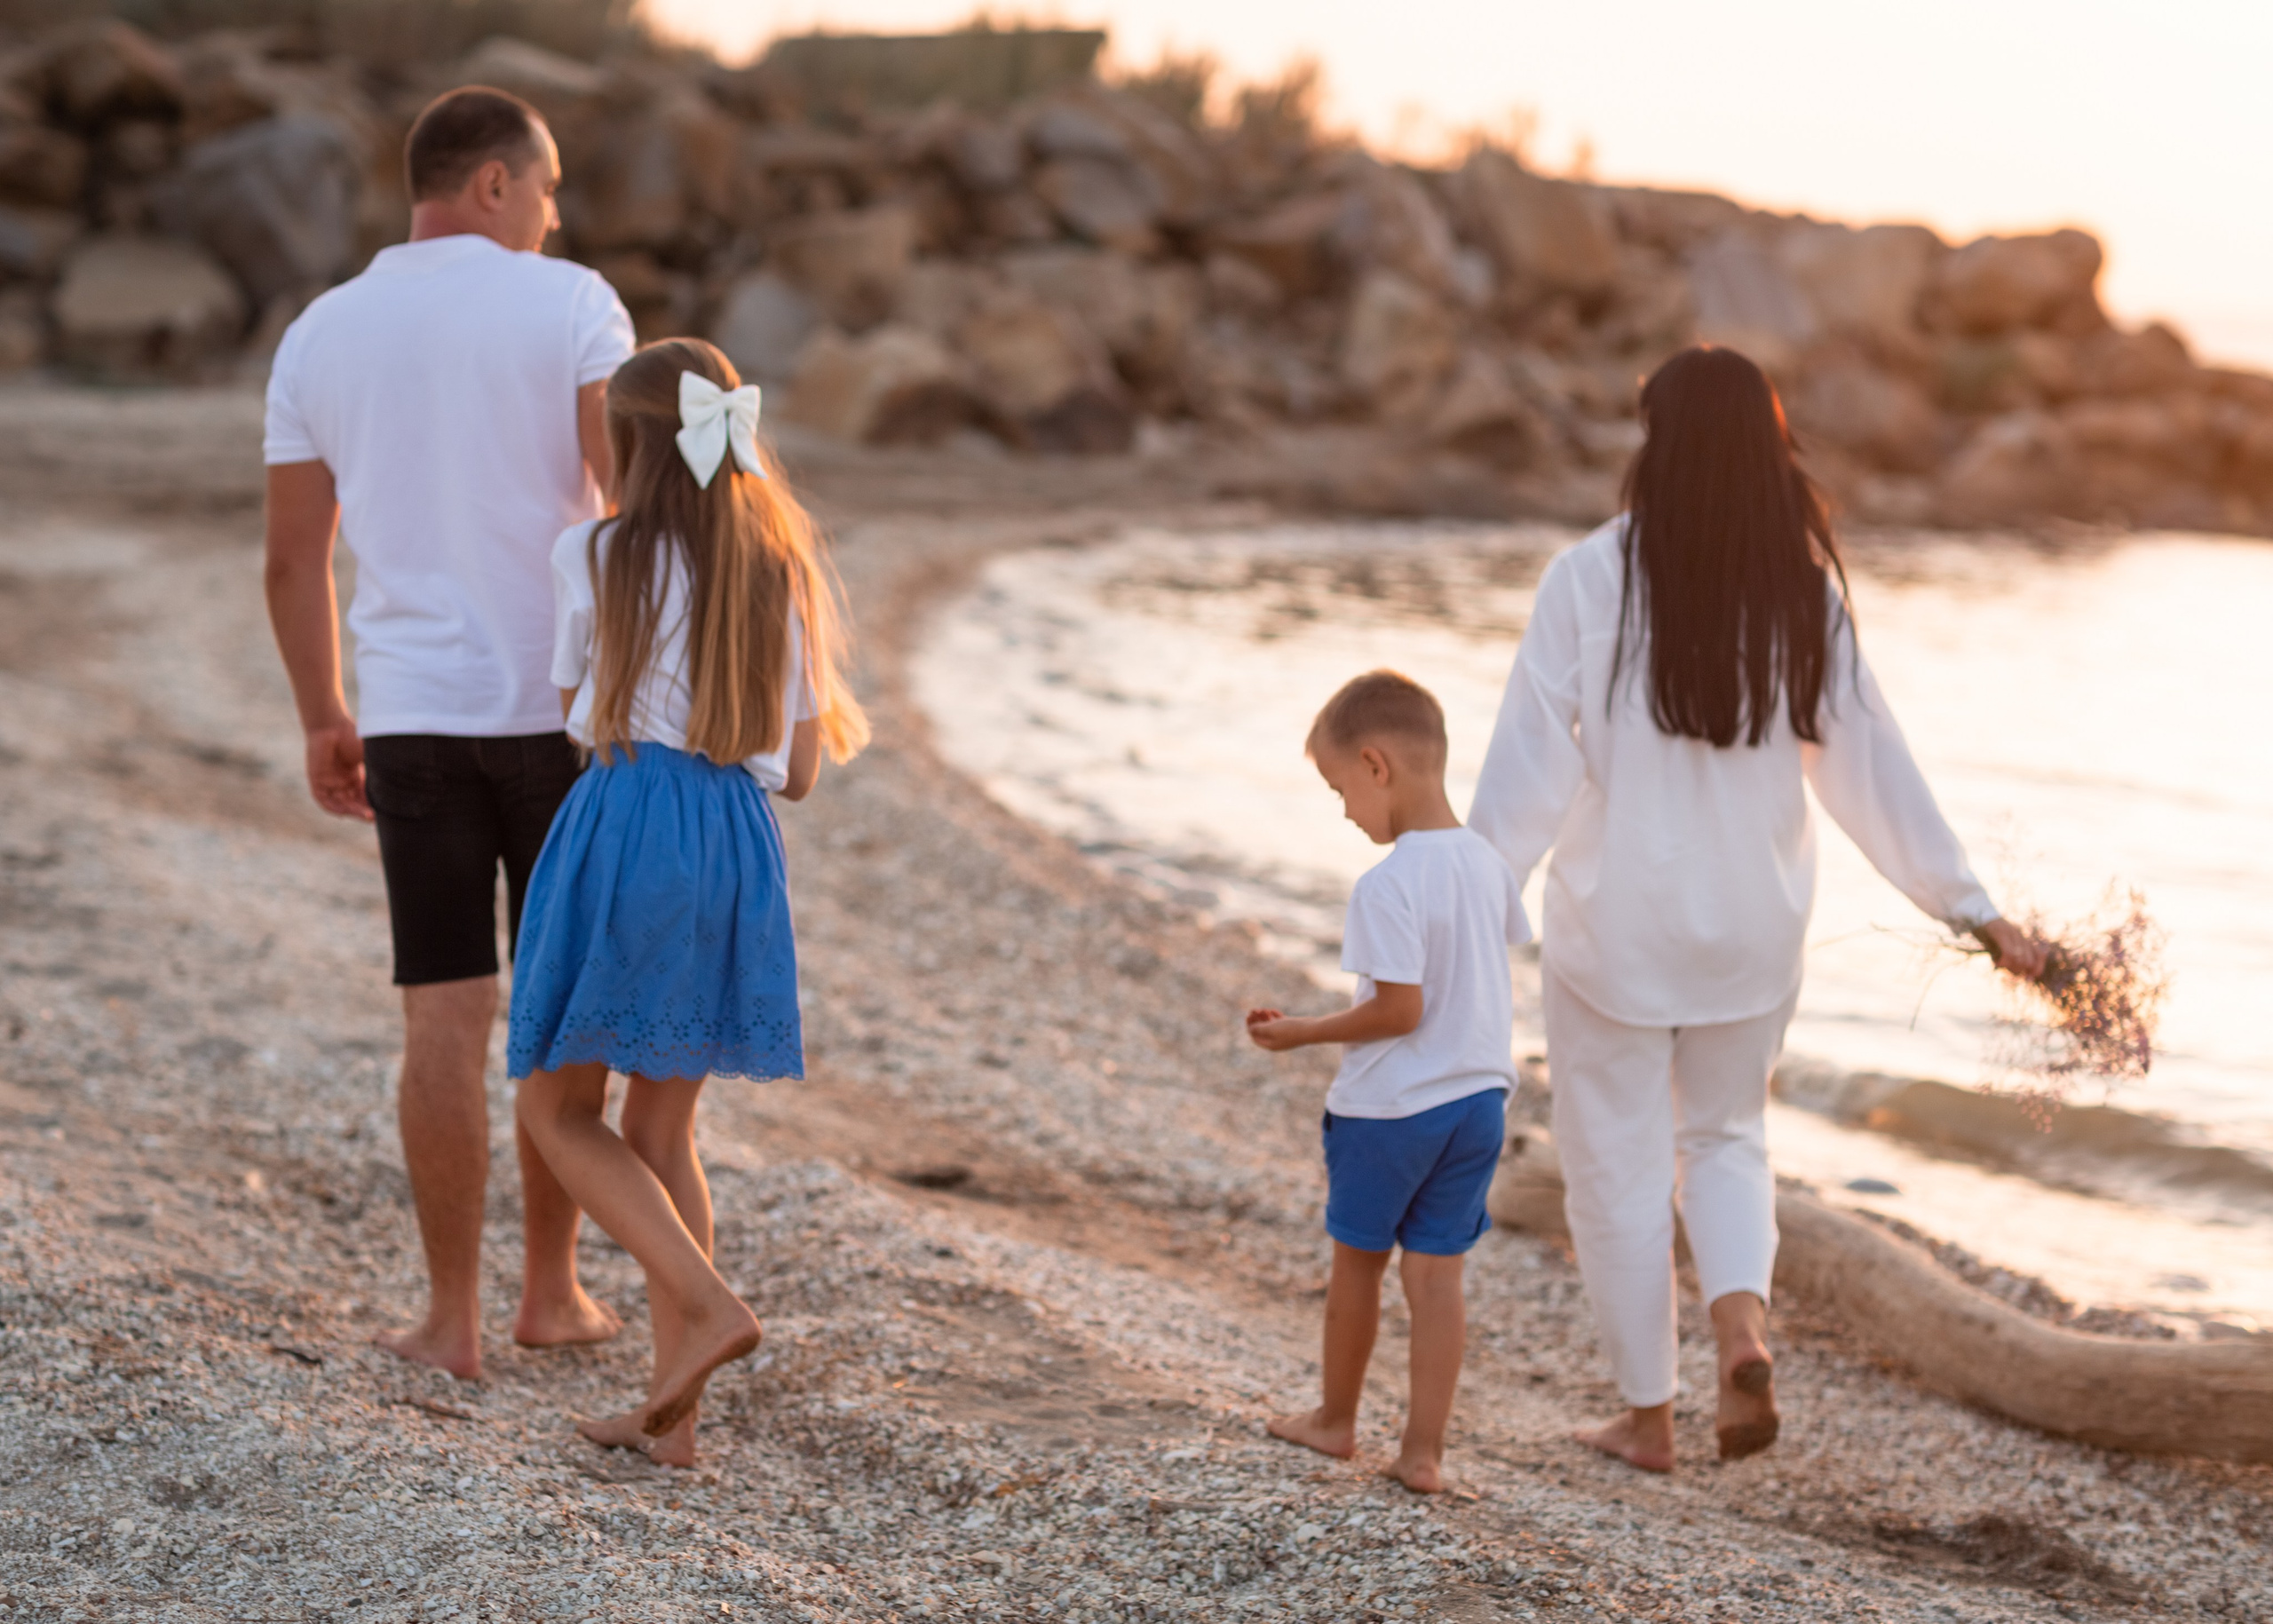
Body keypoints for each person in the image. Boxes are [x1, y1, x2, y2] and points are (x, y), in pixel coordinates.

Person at [1468, 345, 2047, 1473]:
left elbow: (1526, 773)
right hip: (1751, 928)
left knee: (1617, 1172)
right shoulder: (1802, 593)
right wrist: (1974, 911)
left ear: (1658, 444)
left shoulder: (1588, 577)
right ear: (1764, 446)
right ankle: (1740, 1324)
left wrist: (1462, 915)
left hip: (1616, 926)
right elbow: (1873, 771)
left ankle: (1648, 1417)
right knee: (1727, 1137)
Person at [262, 86, 638, 1379]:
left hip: (411, 714)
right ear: (492, 184)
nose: (552, 213)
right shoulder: (577, 304)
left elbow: (291, 560)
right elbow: (628, 508)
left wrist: (325, 714)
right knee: (558, 1009)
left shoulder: (319, 332)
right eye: (544, 188)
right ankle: (552, 1292)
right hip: (561, 713)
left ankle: (449, 1320)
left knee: (442, 1013)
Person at [507, 337, 868, 1466]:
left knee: (557, 1111)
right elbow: (801, 772)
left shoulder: (596, 551)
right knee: (663, 1125)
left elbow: (579, 711)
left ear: (628, 448)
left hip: (628, 823)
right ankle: (676, 1422)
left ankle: (706, 1305)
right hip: (736, 842)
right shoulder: (779, 568)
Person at [1247, 671, 1530, 1493]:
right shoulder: (1487, 862)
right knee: (1439, 1279)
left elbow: (1399, 1011)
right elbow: (1479, 969)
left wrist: (1304, 1031)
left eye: (1340, 790)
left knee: (1359, 1266)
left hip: (1392, 1110)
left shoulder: (1388, 883)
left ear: (1376, 766)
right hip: (1478, 1102)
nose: (1344, 811)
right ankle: (1422, 1453)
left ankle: (1335, 1421)